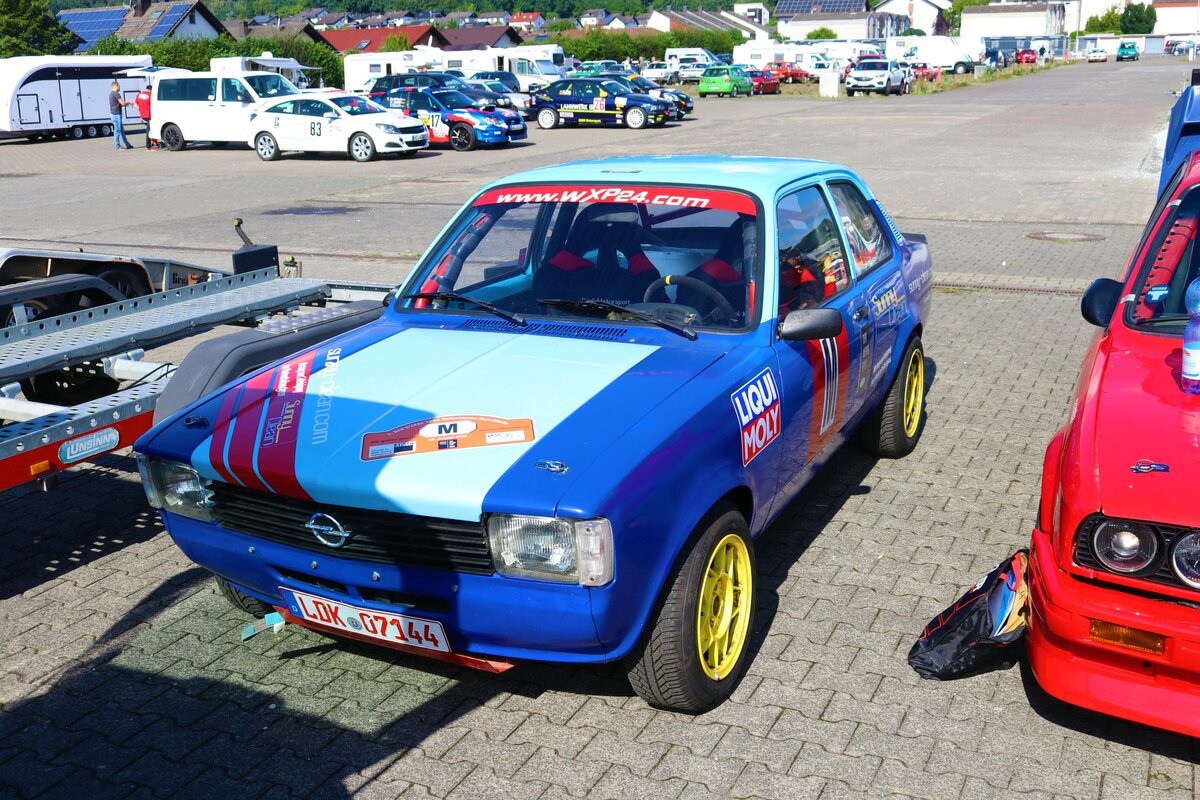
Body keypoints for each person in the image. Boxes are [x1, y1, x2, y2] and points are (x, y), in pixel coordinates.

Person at [108, 81, 133, 150]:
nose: (120, 87)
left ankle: (127, 145)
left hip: (114, 114)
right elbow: (123, 103)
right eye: (119, 86)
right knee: (117, 130)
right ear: (115, 86)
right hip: (116, 114)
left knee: (121, 130)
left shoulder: (111, 94)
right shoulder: (116, 94)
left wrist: (127, 104)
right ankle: (117, 146)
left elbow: (118, 105)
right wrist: (129, 102)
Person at [134, 82, 154, 150]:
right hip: (149, 115)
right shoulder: (150, 95)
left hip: (143, 115)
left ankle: (152, 143)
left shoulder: (138, 95)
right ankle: (149, 146)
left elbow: (135, 105)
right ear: (150, 90)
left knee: (150, 129)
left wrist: (141, 110)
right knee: (149, 130)